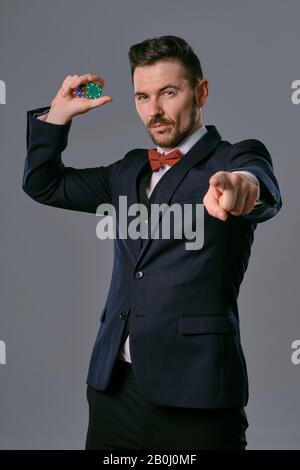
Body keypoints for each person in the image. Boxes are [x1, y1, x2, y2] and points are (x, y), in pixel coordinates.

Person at [22, 35, 282, 450]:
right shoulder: (126, 170)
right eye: (142, 97)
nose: (154, 111)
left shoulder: (234, 158)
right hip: (114, 387)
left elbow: (260, 186)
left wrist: (240, 187)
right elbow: (43, 184)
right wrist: (57, 116)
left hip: (197, 391)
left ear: (201, 91)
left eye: (168, 93)